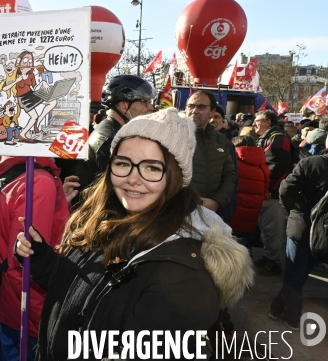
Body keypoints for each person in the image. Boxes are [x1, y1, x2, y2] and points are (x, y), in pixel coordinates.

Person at [15, 108, 253, 360]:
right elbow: (82, 291)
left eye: (151, 168)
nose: (132, 179)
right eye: (123, 164)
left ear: (176, 176)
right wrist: (43, 260)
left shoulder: (184, 275)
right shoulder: (106, 217)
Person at [0, 156, 70, 361]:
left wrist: (58, 203)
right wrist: (43, 322)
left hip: (8, 301)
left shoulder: (14, 168)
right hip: (29, 311)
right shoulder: (39, 181)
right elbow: (25, 263)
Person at [270, 153, 328, 330]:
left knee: (295, 272)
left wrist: (293, 211)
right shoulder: (312, 163)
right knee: (301, 271)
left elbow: (286, 189)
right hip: (322, 231)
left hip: (302, 226)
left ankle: (291, 316)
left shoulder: (311, 162)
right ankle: (276, 309)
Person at [75, 74, 155, 191]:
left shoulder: (114, 131)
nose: (151, 107)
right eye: (145, 102)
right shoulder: (110, 139)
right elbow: (122, 188)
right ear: (124, 106)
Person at [185, 90, 237, 221]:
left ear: (212, 112)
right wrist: (190, 202)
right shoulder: (175, 136)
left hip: (214, 215)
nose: (195, 110)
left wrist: (217, 202)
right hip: (181, 213)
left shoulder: (221, 140)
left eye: (201, 107)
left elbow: (230, 175)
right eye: (191, 106)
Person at [253, 109, 293, 275]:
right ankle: (269, 257)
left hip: (273, 194)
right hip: (268, 191)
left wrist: (270, 188)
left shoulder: (277, 137)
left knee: (273, 230)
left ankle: (274, 262)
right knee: (266, 228)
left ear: (267, 122)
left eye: (258, 120)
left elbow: (278, 165)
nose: (254, 123)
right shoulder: (270, 137)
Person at [228, 135, 270, 247]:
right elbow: (266, 187)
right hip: (254, 209)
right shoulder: (262, 163)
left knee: (232, 242)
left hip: (235, 209)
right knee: (246, 242)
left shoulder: (233, 160)